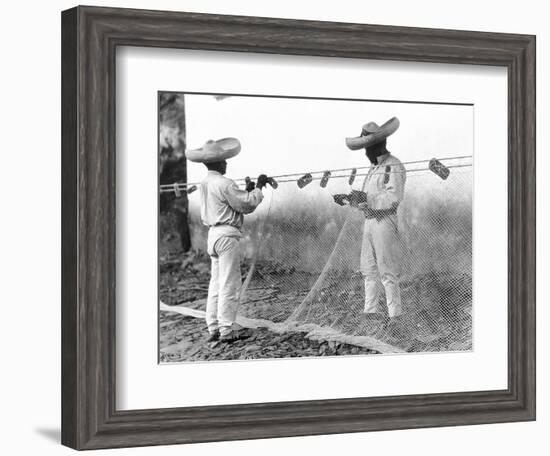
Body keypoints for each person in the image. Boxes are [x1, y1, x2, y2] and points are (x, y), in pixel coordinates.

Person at [186, 138, 268, 343]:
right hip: (227, 236)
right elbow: (246, 205)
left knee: (216, 283)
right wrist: (258, 188)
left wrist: (247, 189)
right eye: (224, 160)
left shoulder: (204, 183)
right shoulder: (225, 183)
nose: (226, 164)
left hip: (212, 235)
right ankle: (226, 329)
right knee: (229, 283)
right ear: (219, 163)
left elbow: (233, 201)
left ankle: (213, 326)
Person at [335, 117, 406, 333]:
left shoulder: (393, 165)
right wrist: (350, 198)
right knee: (368, 268)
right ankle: (370, 312)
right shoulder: (373, 169)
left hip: (385, 221)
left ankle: (395, 316)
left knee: (387, 269)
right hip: (369, 221)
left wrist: (366, 200)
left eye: (367, 149)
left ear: (376, 146)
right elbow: (369, 196)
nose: (365, 153)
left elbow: (394, 197)